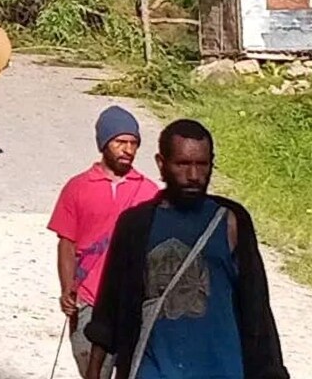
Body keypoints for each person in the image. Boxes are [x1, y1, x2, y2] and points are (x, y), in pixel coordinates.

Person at [84, 119, 289, 379]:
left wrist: (271, 372)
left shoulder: (231, 221)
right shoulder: (136, 225)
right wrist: (94, 370)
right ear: (161, 163)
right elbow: (110, 305)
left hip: (222, 369)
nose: (193, 175)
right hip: (152, 369)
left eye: (202, 165)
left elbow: (256, 307)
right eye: (182, 164)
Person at [49, 107, 159, 379]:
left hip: (133, 302)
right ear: (103, 144)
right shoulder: (77, 187)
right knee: (92, 372)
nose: (128, 150)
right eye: (120, 142)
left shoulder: (149, 192)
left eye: (133, 143)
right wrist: (67, 290)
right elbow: (67, 244)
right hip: (88, 300)